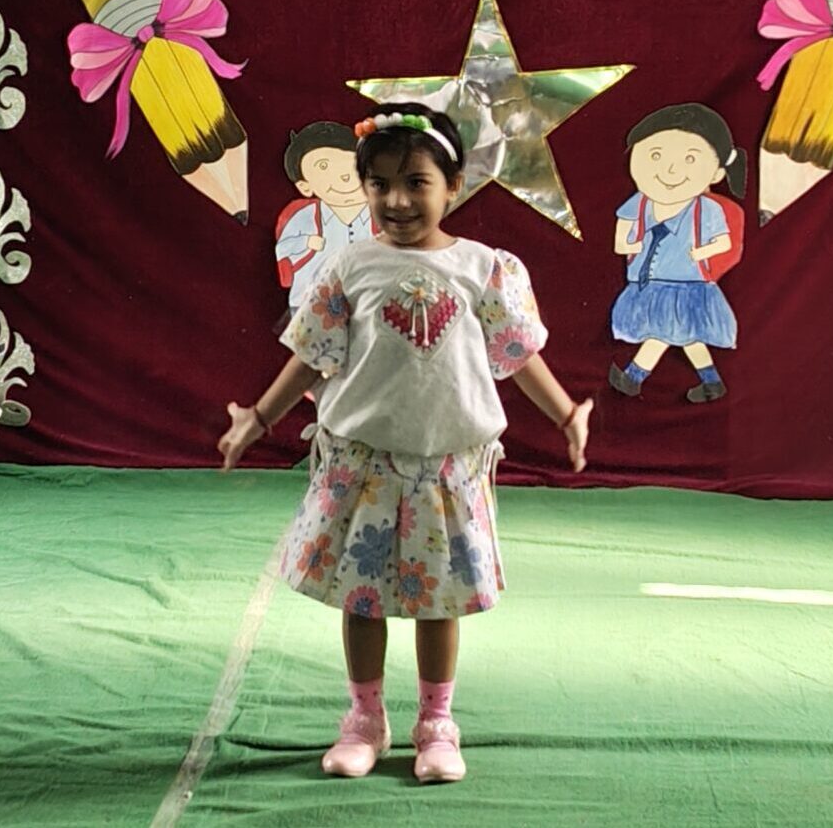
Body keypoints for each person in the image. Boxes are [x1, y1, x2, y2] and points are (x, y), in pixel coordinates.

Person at [218, 103, 592, 783]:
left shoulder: (484, 268)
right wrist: (259, 418)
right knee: (362, 597)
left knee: (437, 599)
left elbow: (519, 356)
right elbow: (310, 356)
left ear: (453, 186)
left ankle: (435, 723)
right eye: (380, 184)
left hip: (447, 468)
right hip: (362, 463)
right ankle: (365, 719)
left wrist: (567, 414)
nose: (396, 201)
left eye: (416, 182)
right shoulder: (347, 266)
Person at [607, 103, 745, 403]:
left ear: (717, 173)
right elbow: (623, 228)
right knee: (684, 338)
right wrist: (625, 245)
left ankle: (633, 378)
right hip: (650, 283)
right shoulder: (640, 202)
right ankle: (711, 383)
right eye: (655, 155)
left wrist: (702, 251)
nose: (670, 170)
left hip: (687, 285)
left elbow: (724, 242)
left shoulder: (706, 209)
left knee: (665, 334)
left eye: (690, 159)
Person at [274, 122, 374, 310]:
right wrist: (306, 242)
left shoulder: (380, 213)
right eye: (323, 166)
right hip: (312, 304)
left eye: (351, 162)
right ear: (304, 186)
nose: (344, 175)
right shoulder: (305, 217)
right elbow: (283, 248)